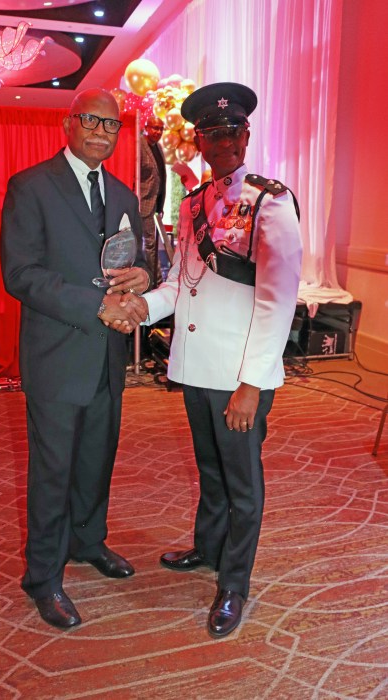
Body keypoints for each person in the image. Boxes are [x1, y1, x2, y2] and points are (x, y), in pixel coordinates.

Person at [123, 82, 302, 638]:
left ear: (245, 135)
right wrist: (140, 306)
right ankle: (206, 547)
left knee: (242, 481)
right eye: (210, 133)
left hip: (237, 373)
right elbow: (181, 285)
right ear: (198, 140)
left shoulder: (269, 200)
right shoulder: (196, 203)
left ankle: (234, 581)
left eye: (230, 132)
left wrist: (251, 383)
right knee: (211, 469)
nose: (221, 141)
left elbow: (278, 297)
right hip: (196, 366)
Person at [0, 88, 149, 630]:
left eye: (110, 125)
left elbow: (138, 261)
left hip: (107, 357)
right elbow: (21, 274)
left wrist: (142, 279)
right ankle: (43, 575)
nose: (101, 131)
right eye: (91, 120)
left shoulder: (125, 196)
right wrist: (97, 304)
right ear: (68, 124)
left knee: (96, 460)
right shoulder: (31, 186)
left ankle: (89, 542)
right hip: (57, 355)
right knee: (53, 470)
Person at [139, 115, 167, 288]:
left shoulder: (159, 147)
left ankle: (154, 280)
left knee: (151, 244)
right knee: (149, 244)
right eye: (155, 128)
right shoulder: (139, 146)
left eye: (161, 129)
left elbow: (161, 176)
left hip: (154, 203)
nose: (157, 132)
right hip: (142, 203)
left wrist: (160, 204)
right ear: (146, 127)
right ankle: (156, 281)